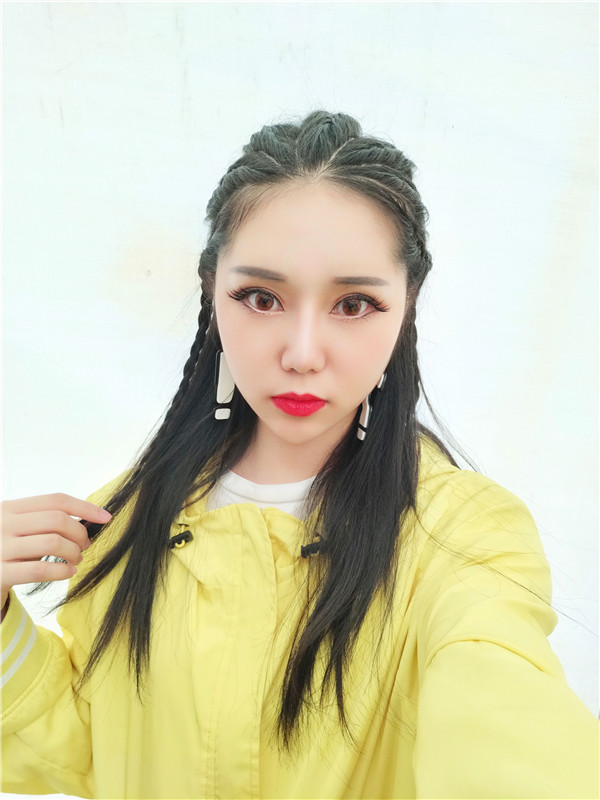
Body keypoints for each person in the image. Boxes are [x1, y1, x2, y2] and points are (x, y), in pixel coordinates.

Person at [1, 110, 597, 800]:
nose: (303, 353)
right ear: (211, 290)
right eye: (261, 298)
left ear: (407, 304)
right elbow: (91, 745)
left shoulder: (461, 536)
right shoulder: (130, 512)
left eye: (354, 304)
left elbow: (503, 717)